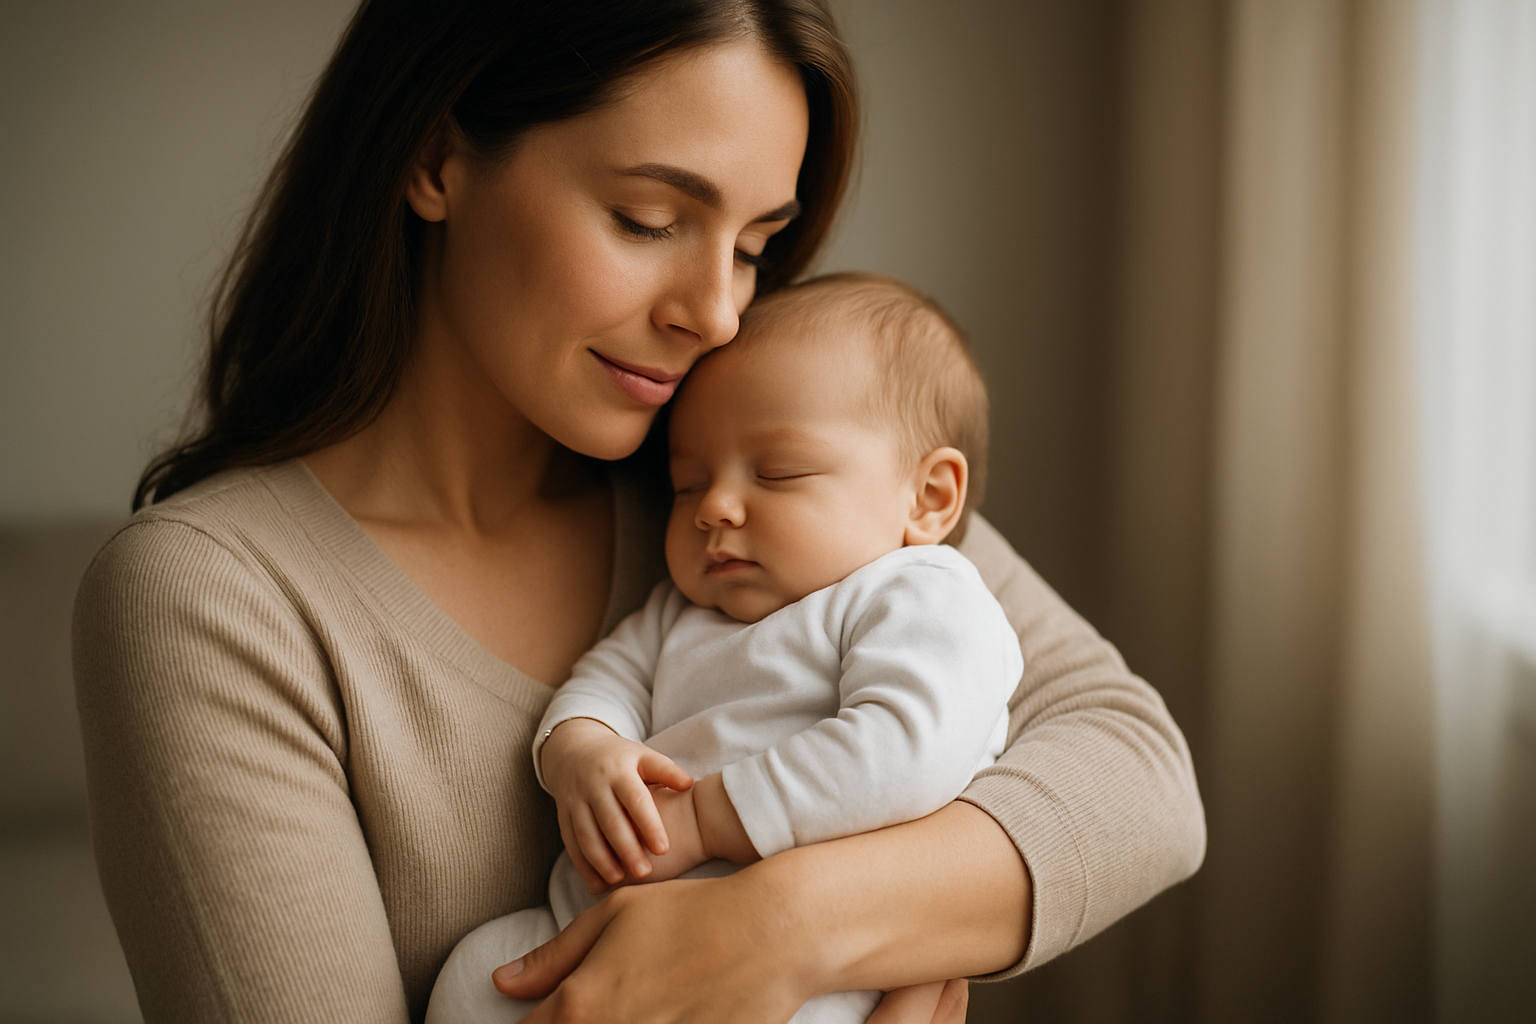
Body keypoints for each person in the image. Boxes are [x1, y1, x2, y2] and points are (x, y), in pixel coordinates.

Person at [71, 2, 1206, 1023]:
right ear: (434, 156)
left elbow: (1142, 779)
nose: (717, 314)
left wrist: (778, 931)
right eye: (651, 217)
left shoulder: (757, 479)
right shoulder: (214, 596)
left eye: (757, 246)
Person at [427, 273, 1023, 1024]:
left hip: (811, 969)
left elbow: (907, 748)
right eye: (686, 485)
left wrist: (708, 821)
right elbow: (605, 678)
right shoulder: (683, 609)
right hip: (595, 934)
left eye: (776, 473)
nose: (715, 508)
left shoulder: (918, 592)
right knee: (474, 978)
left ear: (928, 497)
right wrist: (581, 749)